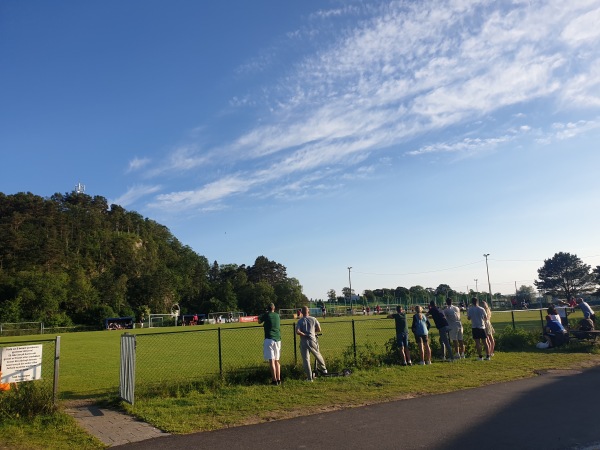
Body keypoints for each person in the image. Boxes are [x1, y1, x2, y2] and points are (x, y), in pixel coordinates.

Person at [296, 305, 327, 381]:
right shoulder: (313, 319)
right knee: (317, 354)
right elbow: (319, 329)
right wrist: (312, 332)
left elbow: (297, 331)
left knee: (306, 360)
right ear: (308, 311)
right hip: (312, 340)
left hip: (304, 341)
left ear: (302, 312)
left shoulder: (300, 321)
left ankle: (310, 378)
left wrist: (303, 334)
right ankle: (324, 370)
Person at [258, 303, 281, 385]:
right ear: (274, 308)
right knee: (277, 361)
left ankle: (274, 380)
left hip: (269, 339)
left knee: (271, 361)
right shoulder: (277, 315)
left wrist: (261, 316)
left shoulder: (266, 315)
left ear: (268, 308)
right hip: (278, 339)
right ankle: (279, 379)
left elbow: (259, 322)